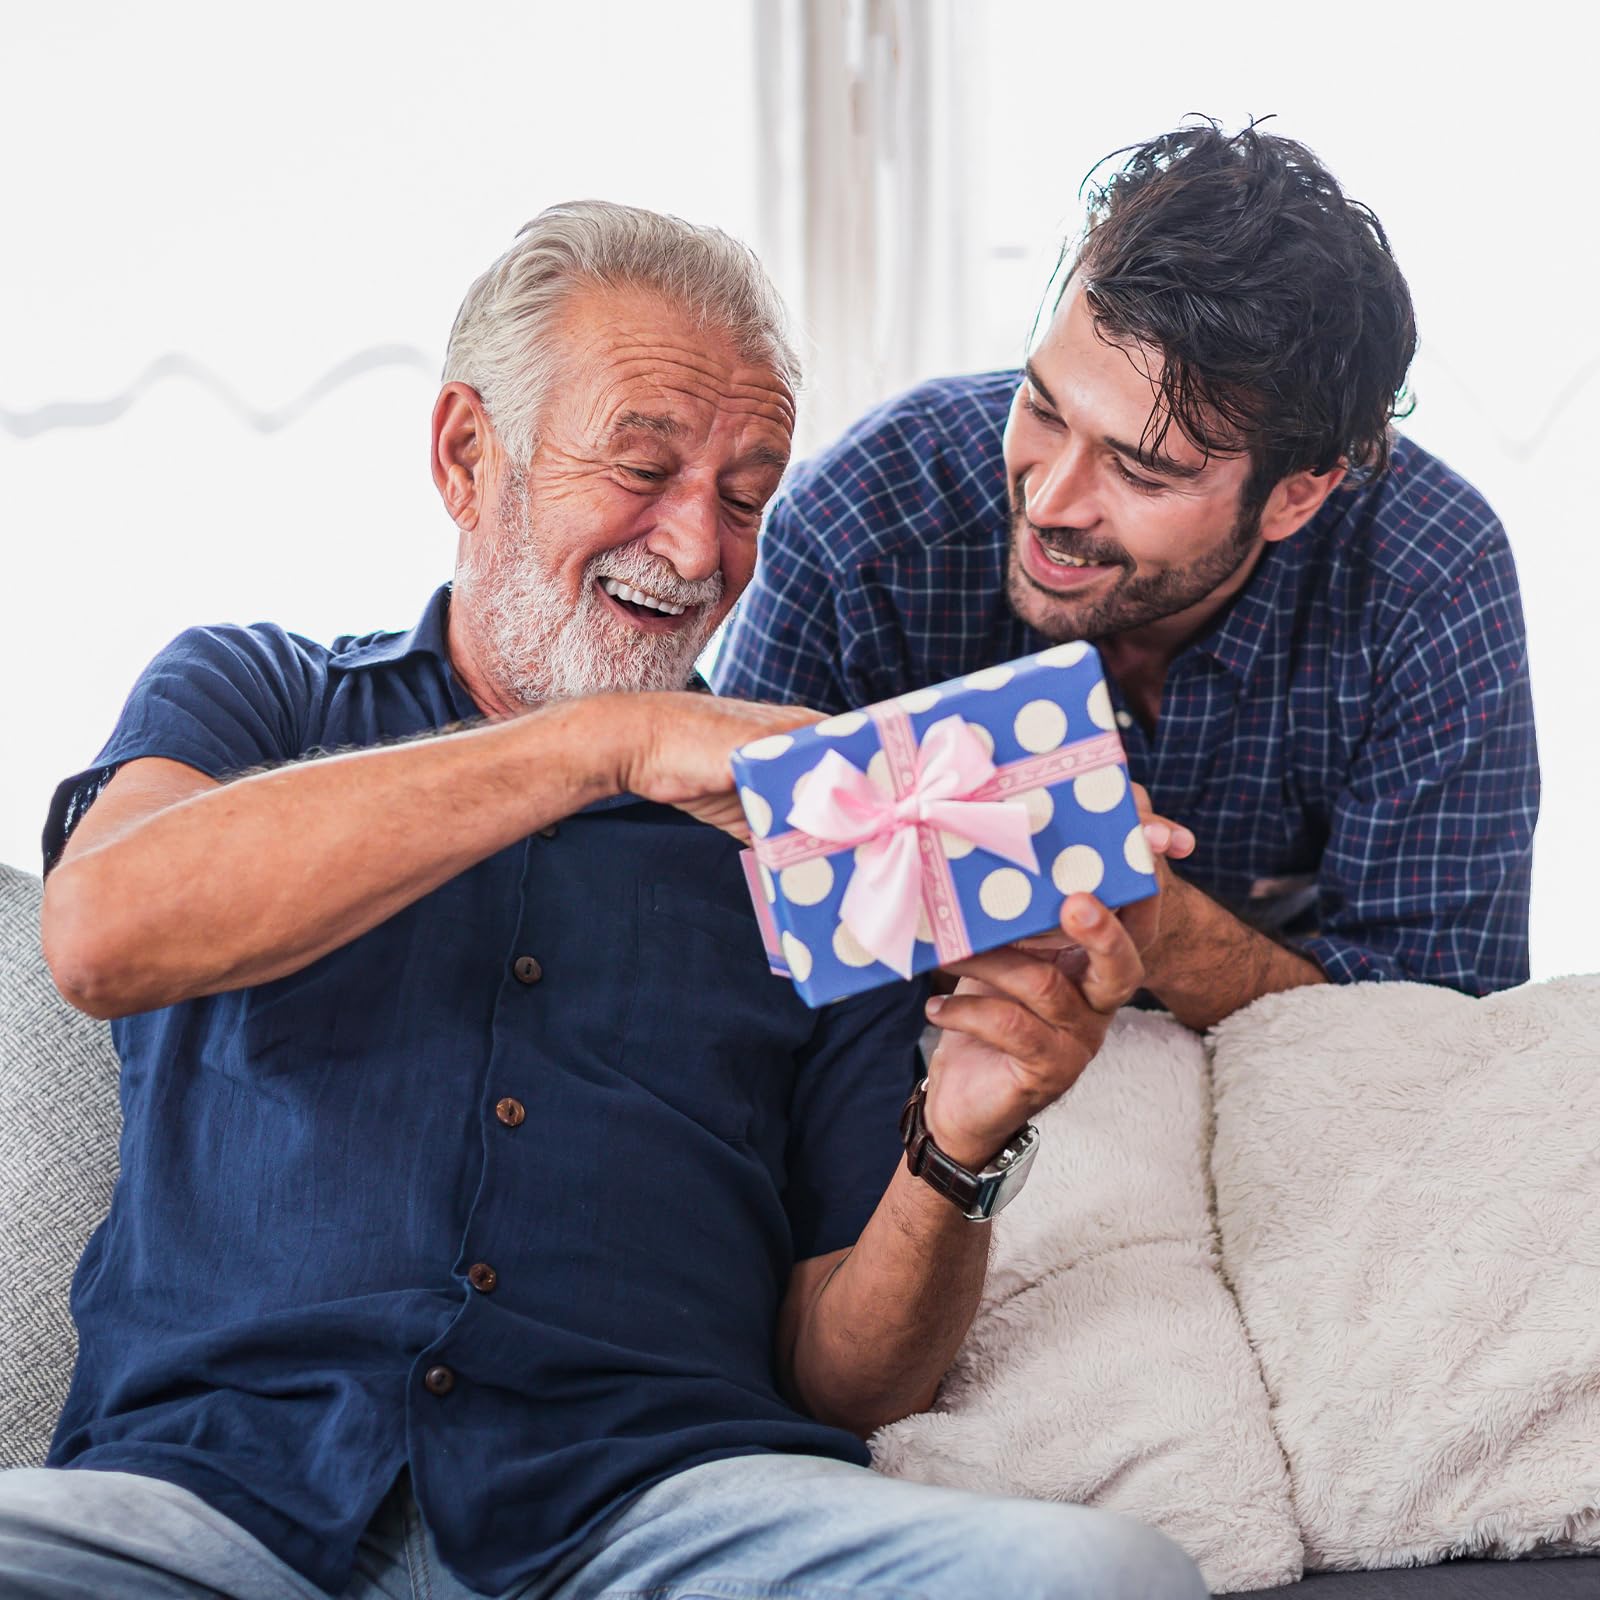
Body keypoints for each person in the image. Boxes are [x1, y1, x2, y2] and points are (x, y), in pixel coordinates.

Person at [2, 203, 1204, 1600]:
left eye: (746, 498)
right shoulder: (259, 695)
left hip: (653, 1517)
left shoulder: (823, 834)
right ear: (467, 454)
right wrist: (598, 747)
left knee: (1108, 1577)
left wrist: (958, 1147)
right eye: (642, 468)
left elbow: (848, 1378)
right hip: (212, 1501)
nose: (697, 550)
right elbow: (101, 934)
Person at [714, 121, 1540, 1031]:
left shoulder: (1428, 572)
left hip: (1286, 1081)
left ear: (1297, 496)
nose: (1049, 502)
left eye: (1141, 471)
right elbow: (716, 932)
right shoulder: (862, 522)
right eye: (1042, 408)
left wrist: (1165, 928)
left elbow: (1447, 1022)